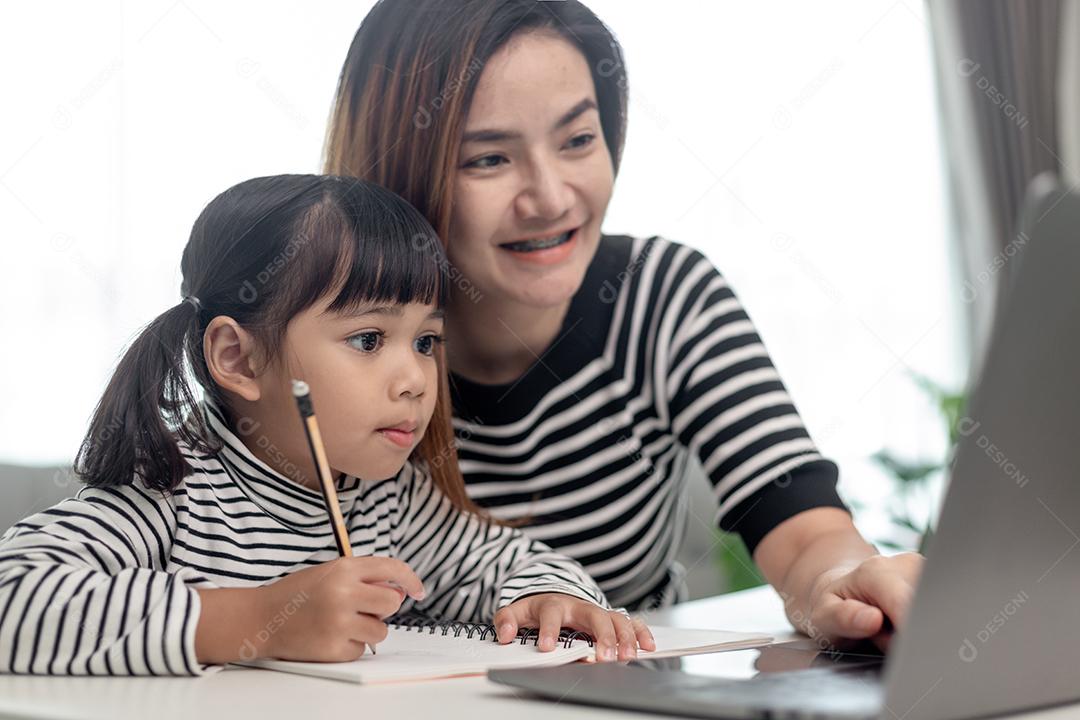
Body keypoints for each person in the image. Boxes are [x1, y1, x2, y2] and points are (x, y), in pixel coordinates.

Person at [324, 0, 922, 649]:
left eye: (578, 140)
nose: (551, 198)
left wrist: (839, 580)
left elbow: (804, 529)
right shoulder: (326, 343)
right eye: (489, 159)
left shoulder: (665, 297)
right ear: (397, 176)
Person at [0, 174, 654, 676]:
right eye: (369, 339)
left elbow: (509, 562)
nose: (415, 379)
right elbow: (13, 598)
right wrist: (257, 620)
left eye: (426, 341)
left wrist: (550, 597)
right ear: (238, 357)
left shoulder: (389, 505)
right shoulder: (172, 494)